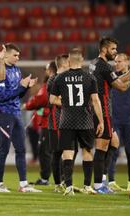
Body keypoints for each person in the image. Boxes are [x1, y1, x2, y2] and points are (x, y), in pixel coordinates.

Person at [50, 48, 104, 196]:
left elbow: (52, 99)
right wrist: (101, 121)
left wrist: (66, 104)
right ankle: (87, 186)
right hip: (85, 120)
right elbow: (95, 101)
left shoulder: (59, 78)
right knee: (87, 151)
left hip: (66, 120)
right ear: (82, 60)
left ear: (68, 61)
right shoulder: (90, 77)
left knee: (67, 153)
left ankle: (68, 187)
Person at [0, 43, 41, 193]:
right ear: (6, 55)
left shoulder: (16, 70)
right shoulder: (0, 71)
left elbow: (18, 94)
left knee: (21, 149)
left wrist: (26, 87)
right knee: (4, 150)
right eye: (15, 55)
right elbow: (1, 96)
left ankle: (23, 184)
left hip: (16, 114)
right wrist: (21, 87)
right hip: (4, 114)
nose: (18, 57)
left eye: (18, 55)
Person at [89, 37, 130, 193]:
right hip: (103, 110)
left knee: (114, 142)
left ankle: (103, 180)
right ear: (104, 49)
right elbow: (120, 86)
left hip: (102, 109)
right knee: (101, 147)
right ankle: (99, 185)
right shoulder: (105, 66)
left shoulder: (94, 63)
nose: (115, 52)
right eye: (113, 49)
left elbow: (115, 79)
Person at [109, 53, 130, 192]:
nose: (116, 64)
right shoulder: (111, 77)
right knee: (113, 151)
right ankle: (110, 182)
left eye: (120, 61)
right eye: (115, 61)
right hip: (114, 119)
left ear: (127, 62)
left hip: (129, 120)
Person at [22, 62, 54, 186]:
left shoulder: (49, 84)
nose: (45, 72)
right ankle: (62, 179)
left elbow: (40, 99)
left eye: (46, 69)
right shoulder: (61, 81)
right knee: (57, 151)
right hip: (61, 122)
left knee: (45, 151)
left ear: (50, 70)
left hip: (49, 122)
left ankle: (46, 179)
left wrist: (27, 105)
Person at [47, 55, 69, 192]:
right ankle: (57, 184)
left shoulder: (66, 78)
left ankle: (66, 182)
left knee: (69, 151)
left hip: (68, 120)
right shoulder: (53, 79)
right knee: (57, 153)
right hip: (56, 120)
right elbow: (54, 100)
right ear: (64, 64)